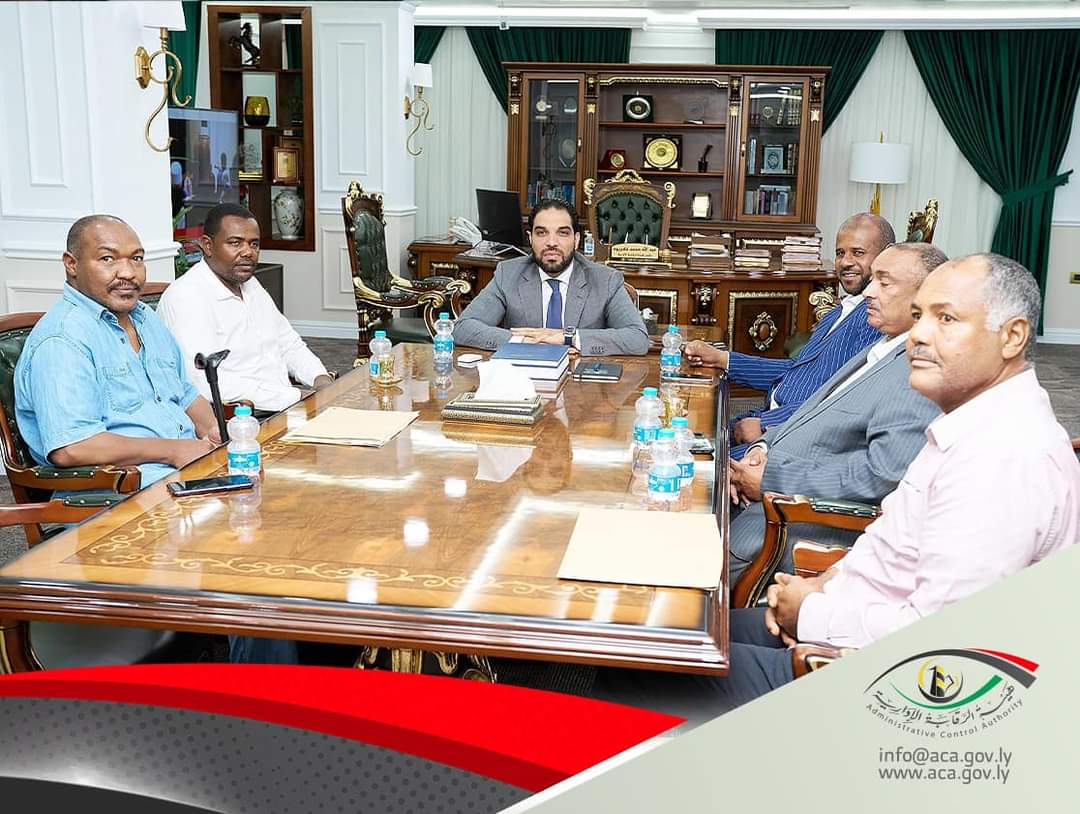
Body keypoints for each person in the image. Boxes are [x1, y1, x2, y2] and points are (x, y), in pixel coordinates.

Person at [594, 253, 1080, 721]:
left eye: (946, 319)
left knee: (632, 663)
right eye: (919, 317)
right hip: (844, 614)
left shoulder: (1003, 459)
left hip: (872, 683)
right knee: (664, 629)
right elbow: (891, 543)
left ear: (1012, 336)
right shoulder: (970, 425)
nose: (919, 335)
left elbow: (942, 648)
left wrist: (810, 615)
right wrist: (820, 585)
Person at [726, 243, 947, 585]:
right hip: (768, 489)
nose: (869, 292)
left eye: (885, 282)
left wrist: (771, 478)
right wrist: (762, 448)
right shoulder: (882, 345)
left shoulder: (916, 372)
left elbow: (882, 475)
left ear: (926, 297)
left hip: (795, 520)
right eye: (873, 280)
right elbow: (814, 412)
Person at [15, 215, 220, 488]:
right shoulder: (61, 339)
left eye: (136, 258)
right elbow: (71, 447)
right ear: (71, 264)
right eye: (108, 259)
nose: (128, 273)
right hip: (123, 494)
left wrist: (214, 432)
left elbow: (184, 392)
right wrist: (174, 450)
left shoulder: (145, 317)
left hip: (189, 471)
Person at [685, 213, 892, 457]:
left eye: (858, 253)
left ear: (885, 255)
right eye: (840, 253)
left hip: (788, 437)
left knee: (694, 466)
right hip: (767, 417)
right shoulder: (842, 309)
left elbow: (843, 396)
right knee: (685, 436)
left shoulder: (874, 318)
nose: (845, 262)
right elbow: (798, 370)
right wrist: (722, 359)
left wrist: (766, 425)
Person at [157, 203, 332, 415]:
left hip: (284, 407)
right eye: (235, 243)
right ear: (208, 246)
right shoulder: (186, 297)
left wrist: (320, 378)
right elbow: (204, 381)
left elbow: (288, 344)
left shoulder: (249, 284)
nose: (248, 252)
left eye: (254, 244)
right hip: (240, 419)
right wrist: (296, 398)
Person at [452, 199, 650, 356]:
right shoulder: (508, 274)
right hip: (523, 379)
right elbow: (463, 328)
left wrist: (567, 337)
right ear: (530, 238)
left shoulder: (605, 280)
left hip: (581, 382)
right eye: (542, 233)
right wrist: (524, 341)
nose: (552, 242)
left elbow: (637, 339)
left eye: (562, 233)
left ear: (576, 240)